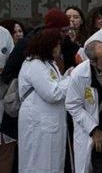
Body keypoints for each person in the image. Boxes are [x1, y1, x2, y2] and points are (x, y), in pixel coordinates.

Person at [20, 27, 71, 173]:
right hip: (38, 124)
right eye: (56, 44)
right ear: (47, 45)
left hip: (50, 123)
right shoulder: (34, 65)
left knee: (53, 163)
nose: (59, 48)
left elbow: (57, 84)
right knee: (37, 164)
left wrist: (67, 75)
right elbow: (52, 93)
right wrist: (71, 78)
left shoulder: (48, 63)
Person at [64, 39, 102, 173]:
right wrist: (93, 130)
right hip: (94, 127)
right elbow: (73, 105)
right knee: (99, 166)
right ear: (93, 62)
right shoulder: (79, 75)